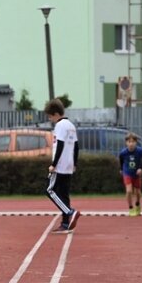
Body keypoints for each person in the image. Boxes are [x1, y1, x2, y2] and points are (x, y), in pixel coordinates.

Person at [45, 99, 80, 233]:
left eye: (50, 116)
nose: (50, 119)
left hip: (60, 165)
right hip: (69, 165)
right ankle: (65, 223)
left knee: (49, 190)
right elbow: (76, 146)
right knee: (64, 194)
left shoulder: (60, 125)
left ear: (55, 113)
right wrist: (75, 163)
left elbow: (59, 144)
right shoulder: (71, 125)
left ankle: (70, 212)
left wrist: (53, 164)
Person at [118, 132, 142, 216]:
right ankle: (131, 208)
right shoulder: (123, 153)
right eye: (129, 142)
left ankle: (137, 204)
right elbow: (121, 160)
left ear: (136, 142)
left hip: (136, 173)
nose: (131, 144)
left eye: (133, 142)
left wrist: (141, 168)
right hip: (127, 173)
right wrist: (121, 169)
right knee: (129, 190)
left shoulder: (140, 151)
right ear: (126, 143)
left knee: (137, 192)